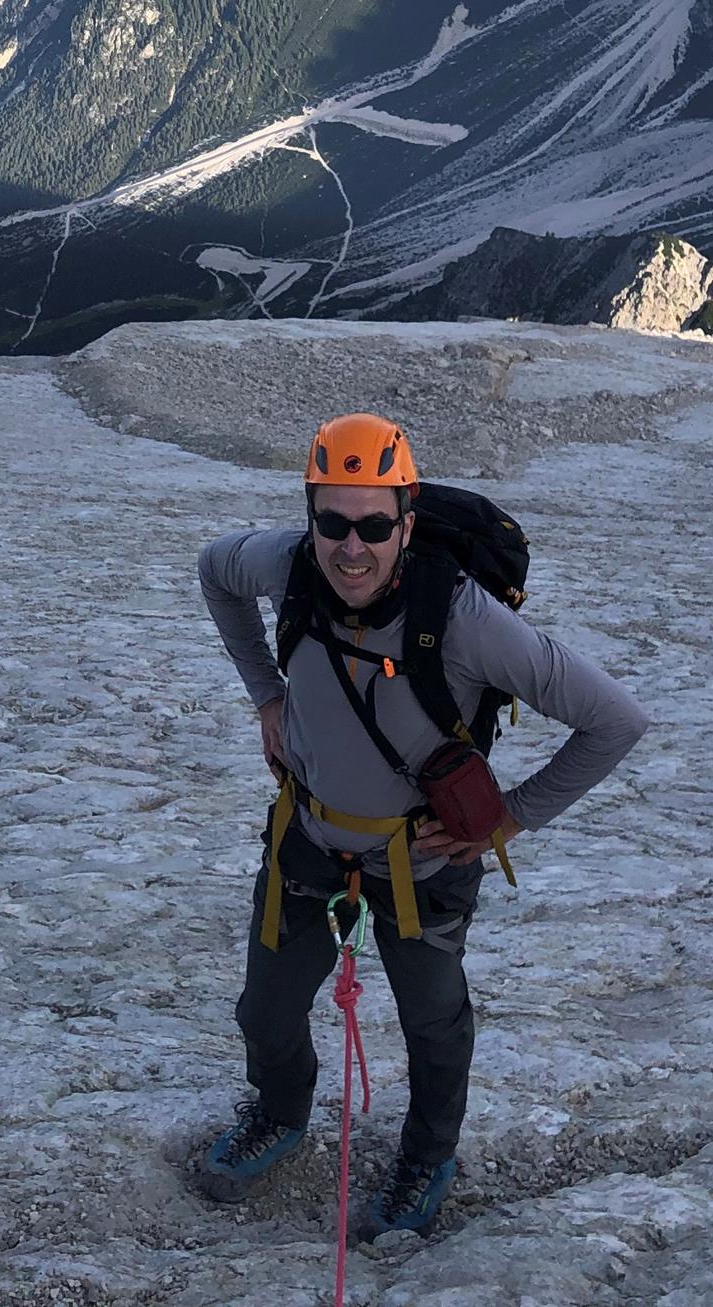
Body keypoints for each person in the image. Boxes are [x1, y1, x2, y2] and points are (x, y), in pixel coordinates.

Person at [195, 412, 650, 1239]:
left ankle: (427, 1157)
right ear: (310, 516)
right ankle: (281, 1110)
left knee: (434, 1026)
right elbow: (214, 569)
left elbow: (614, 718)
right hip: (308, 835)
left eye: (374, 526)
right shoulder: (287, 566)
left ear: (407, 522)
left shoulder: (464, 617)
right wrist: (265, 693)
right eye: (332, 523)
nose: (351, 548)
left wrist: (510, 818)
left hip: (423, 860)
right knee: (265, 1011)